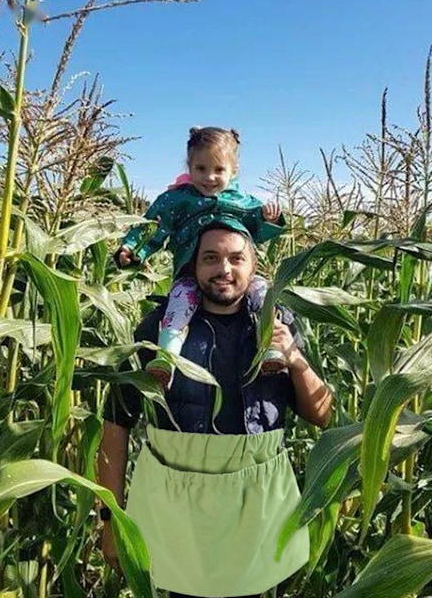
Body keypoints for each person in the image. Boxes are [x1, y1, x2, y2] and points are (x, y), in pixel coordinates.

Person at [99, 224, 333, 598]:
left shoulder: (278, 326)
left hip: (255, 514)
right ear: (193, 266)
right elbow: (116, 426)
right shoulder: (157, 332)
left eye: (236, 258)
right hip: (178, 516)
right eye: (211, 258)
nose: (224, 269)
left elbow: (322, 414)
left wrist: (297, 362)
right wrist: (110, 523)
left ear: (253, 267)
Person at [116, 126, 286, 389]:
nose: (209, 178)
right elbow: (153, 227)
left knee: (264, 295)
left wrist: (269, 220)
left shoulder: (243, 201)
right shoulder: (176, 200)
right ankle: (166, 359)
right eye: (201, 169)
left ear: (234, 170)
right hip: (190, 271)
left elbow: (258, 230)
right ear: (189, 166)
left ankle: (269, 348)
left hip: (239, 277)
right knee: (178, 302)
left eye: (219, 170)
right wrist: (132, 249)